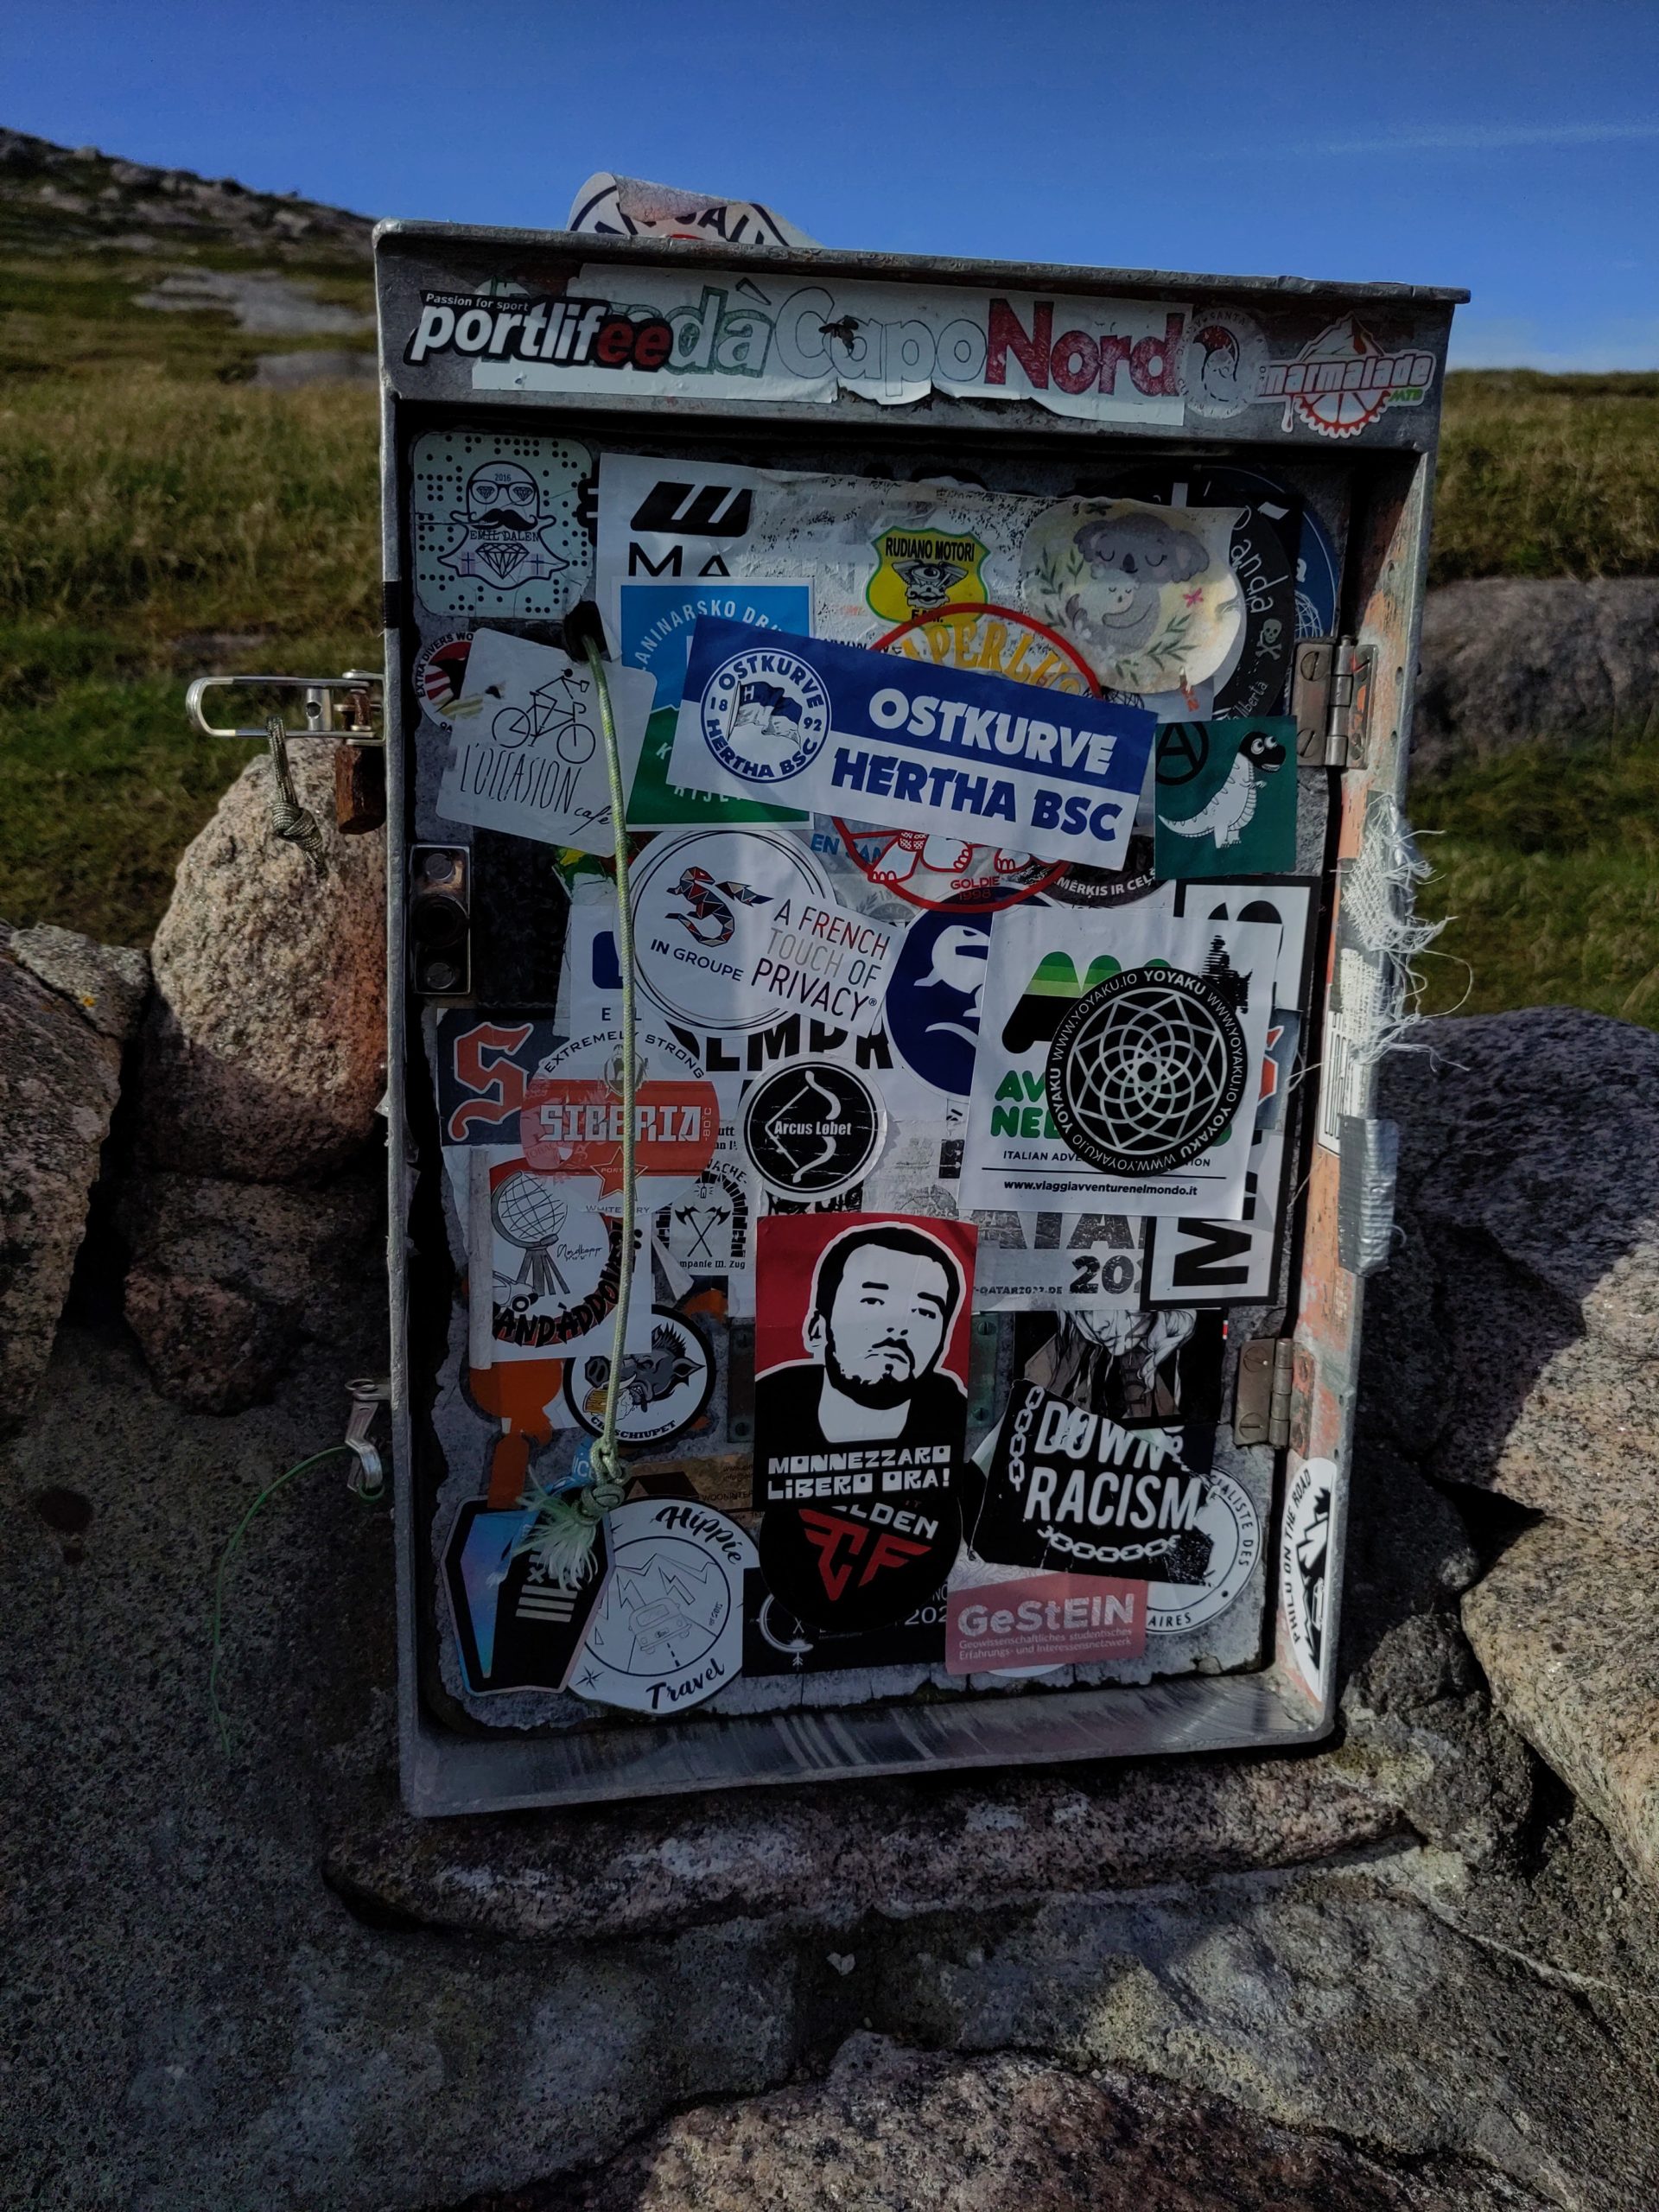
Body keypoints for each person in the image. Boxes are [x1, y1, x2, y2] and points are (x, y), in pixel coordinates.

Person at [755, 1222, 965, 1451]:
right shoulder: (767, 1408)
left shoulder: (956, 1417)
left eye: (925, 1312)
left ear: (943, 1342)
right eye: (873, 1301)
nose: (899, 1326)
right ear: (817, 1329)